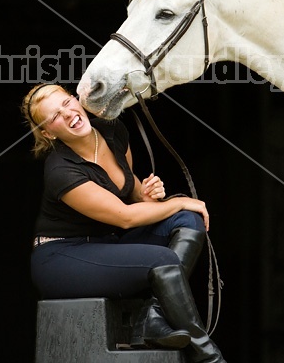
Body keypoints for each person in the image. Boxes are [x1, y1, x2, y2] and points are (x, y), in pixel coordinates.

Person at [22, 83, 226, 362]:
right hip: (62, 256)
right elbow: (125, 217)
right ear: (48, 132)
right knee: (162, 257)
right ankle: (208, 356)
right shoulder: (61, 170)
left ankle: (153, 317)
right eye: (55, 116)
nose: (68, 114)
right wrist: (177, 201)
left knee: (187, 219)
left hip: (107, 243)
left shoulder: (112, 131)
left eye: (67, 103)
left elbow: (131, 194)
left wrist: (147, 193)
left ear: (76, 100)